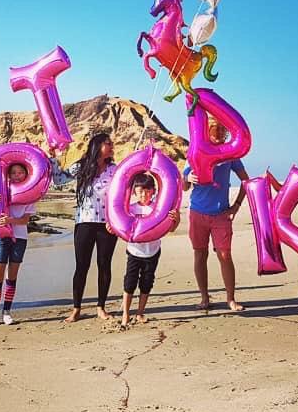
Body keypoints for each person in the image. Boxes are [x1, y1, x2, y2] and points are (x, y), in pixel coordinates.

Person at [50, 133, 118, 322]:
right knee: (82, 266)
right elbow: (59, 180)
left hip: (107, 224)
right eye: (108, 143)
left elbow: (124, 193)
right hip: (84, 223)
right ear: (97, 145)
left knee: (104, 266)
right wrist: (53, 159)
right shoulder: (81, 166)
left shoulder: (114, 169)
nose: (112, 146)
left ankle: (101, 307)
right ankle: (76, 308)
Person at [182, 121, 249, 312]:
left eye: (222, 128)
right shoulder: (195, 151)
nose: (219, 132)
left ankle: (231, 299)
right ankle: (204, 298)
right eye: (215, 128)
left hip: (221, 214)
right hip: (197, 212)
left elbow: (246, 181)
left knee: (225, 255)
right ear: (207, 129)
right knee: (200, 254)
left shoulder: (230, 153)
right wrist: (188, 178)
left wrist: (236, 206)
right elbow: (184, 186)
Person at [121, 173, 180, 326]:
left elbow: (171, 229)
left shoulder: (158, 209)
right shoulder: (130, 209)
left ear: (154, 191)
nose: (144, 195)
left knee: (146, 283)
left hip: (152, 252)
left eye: (148, 191)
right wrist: (111, 228)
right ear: (134, 192)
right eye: (140, 191)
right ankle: (126, 314)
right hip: (134, 252)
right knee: (129, 283)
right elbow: (122, 227)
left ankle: (140, 313)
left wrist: (176, 219)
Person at [0, 163, 36, 327]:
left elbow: (25, 220)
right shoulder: (1, 190)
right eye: (14, 173)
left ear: (26, 175)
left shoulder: (29, 194)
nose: (17, 175)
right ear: (9, 175)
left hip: (20, 238)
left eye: (21, 173)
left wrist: (10, 220)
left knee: (11, 276)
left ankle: (7, 312)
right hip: (2, 237)